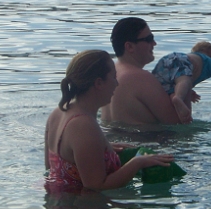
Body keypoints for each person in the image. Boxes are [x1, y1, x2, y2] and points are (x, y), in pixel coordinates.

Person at [45, 49, 175, 191]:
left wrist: (99, 147)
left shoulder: (58, 112)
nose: (117, 84)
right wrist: (137, 163)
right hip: (80, 203)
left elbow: (50, 167)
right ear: (99, 83)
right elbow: (96, 186)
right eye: (113, 77)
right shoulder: (83, 125)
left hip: (60, 200)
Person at [99, 17, 185, 125]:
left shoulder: (110, 74)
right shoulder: (139, 77)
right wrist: (186, 81)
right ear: (130, 46)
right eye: (149, 39)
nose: (154, 43)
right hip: (143, 135)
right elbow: (179, 121)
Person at [152, 41, 211, 123]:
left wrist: (189, 91)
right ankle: (178, 99)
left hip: (164, 62)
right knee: (185, 80)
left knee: (171, 90)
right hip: (180, 60)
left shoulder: (193, 59)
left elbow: (178, 81)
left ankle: (175, 112)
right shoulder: (209, 60)